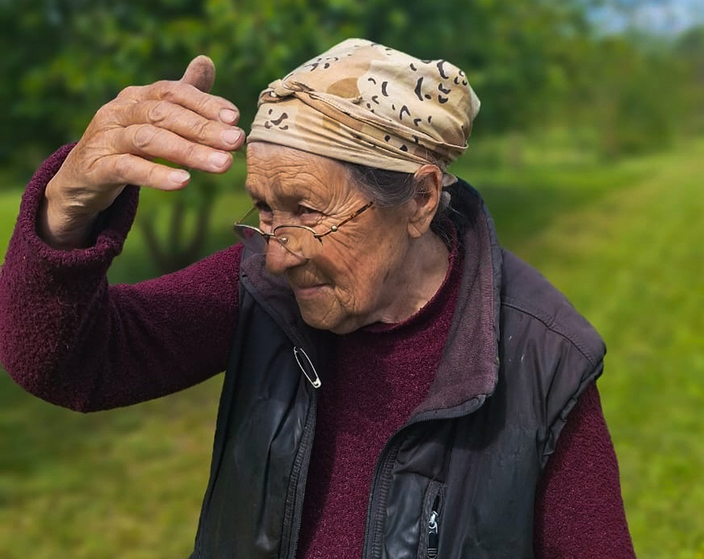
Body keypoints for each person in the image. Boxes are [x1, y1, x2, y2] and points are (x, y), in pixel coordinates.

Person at [0, 39, 635, 558]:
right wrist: (66, 211)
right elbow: (68, 365)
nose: (277, 253)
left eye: (305, 211)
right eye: (265, 211)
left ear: (419, 198)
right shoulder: (262, 288)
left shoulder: (541, 356)